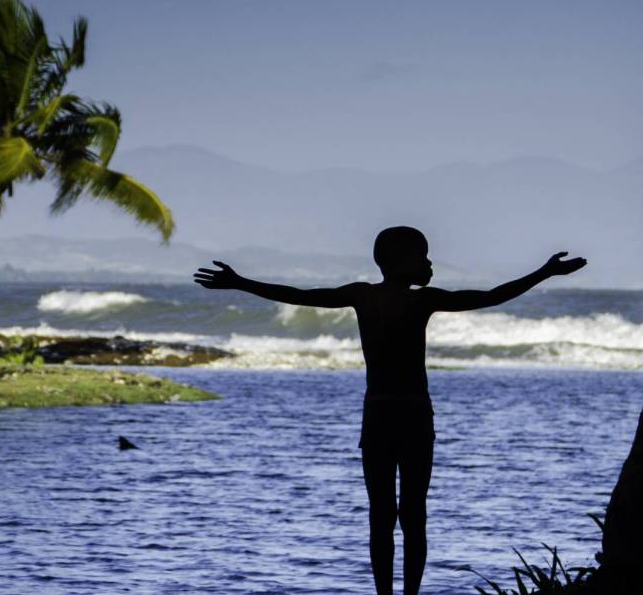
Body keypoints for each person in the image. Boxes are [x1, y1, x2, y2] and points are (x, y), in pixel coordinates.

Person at [194, 226, 587, 595]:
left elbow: (300, 295)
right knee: (414, 513)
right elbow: (490, 296)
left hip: (379, 414)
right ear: (401, 262)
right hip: (415, 415)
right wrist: (544, 273)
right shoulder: (424, 300)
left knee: (381, 514)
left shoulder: (363, 295)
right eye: (424, 257)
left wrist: (241, 283)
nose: (430, 265)